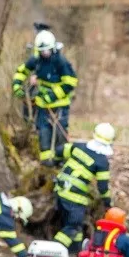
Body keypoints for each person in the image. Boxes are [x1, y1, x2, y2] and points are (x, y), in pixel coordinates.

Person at [12, 30, 78, 166]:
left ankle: (62, 162)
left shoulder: (61, 62)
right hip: (43, 106)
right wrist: (17, 86)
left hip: (60, 105)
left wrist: (52, 96)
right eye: (42, 51)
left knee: (60, 134)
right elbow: (21, 71)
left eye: (47, 50)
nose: (45, 53)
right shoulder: (36, 60)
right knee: (43, 133)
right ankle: (46, 163)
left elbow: (70, 83)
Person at [52, 123, 115, 254]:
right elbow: (103, 187)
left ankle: (75, 252)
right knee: (73, 226)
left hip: (60, 191)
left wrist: (56, 161)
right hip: (75, 198)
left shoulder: (79, 146)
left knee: (75, 226)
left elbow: (59, 150)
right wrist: (108, 203)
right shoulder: (102, 162)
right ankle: (52, 251)